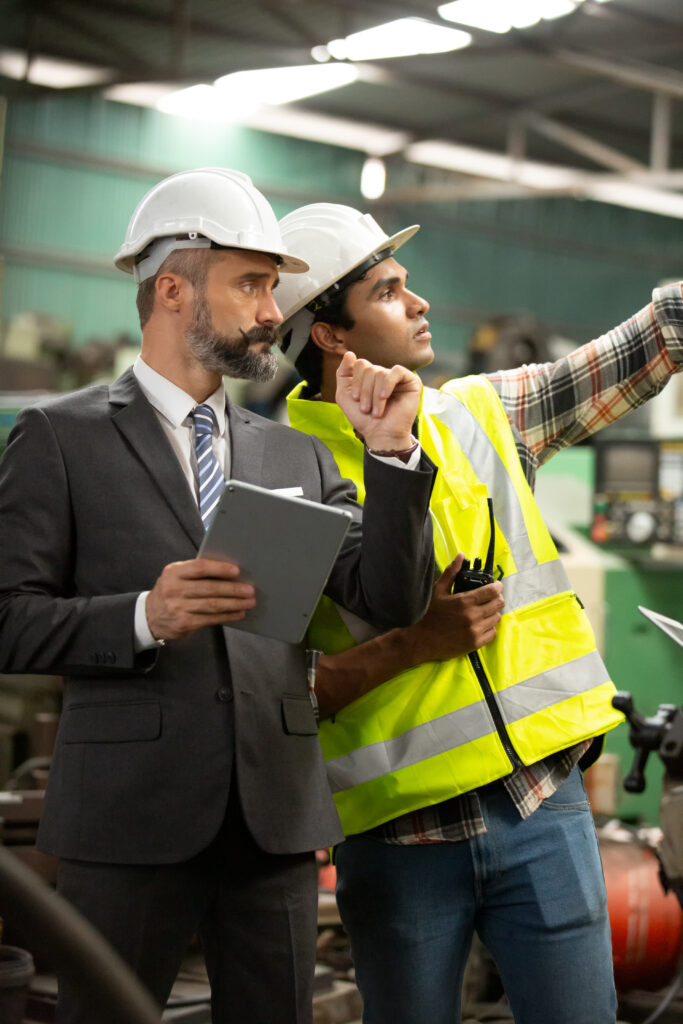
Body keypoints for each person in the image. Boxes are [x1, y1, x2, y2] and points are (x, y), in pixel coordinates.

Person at [0, 170, 438, 1024]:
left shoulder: (296, 457)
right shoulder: (60, 439)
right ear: (171, 289)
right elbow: (6, 618)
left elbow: (389, 601)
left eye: (273, 286)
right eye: (250, 283)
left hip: (271, 825)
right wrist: (140, 616)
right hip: (127, 822)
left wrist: (389, 459)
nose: (273, 312)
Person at [273, 202, 683, 1024]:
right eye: (389, 292)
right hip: (399, 839)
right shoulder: (281, 473)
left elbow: (658, 335)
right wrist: (414, 644)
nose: (419, 303)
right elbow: (278, 692)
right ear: (329, 335)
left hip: (545, 806)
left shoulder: (478, 414)